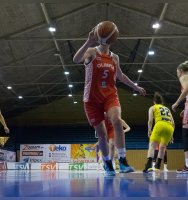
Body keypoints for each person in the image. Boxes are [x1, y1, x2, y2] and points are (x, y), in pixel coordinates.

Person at [73, 24, 146, 176]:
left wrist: (136, 87)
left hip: (110, 95)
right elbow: (75, 59)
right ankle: (107, 162)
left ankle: (123, 160)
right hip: (91, 99)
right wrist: (89, 41)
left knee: (117, 121)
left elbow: (121, 76)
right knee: (102, 134)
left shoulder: (114, 57)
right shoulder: (92, 51)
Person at [143, 92, 175, 173]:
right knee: (162, 147)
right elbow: (173, 123)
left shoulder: (153, 107)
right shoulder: (167, 109)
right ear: (162, 102)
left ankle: (148, 166)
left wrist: (149, 130)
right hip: (170, 127)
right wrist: (172, 135)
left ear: (154, 101)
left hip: (160, 124)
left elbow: (150, 121)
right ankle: (158, 166)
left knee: (152, 145)